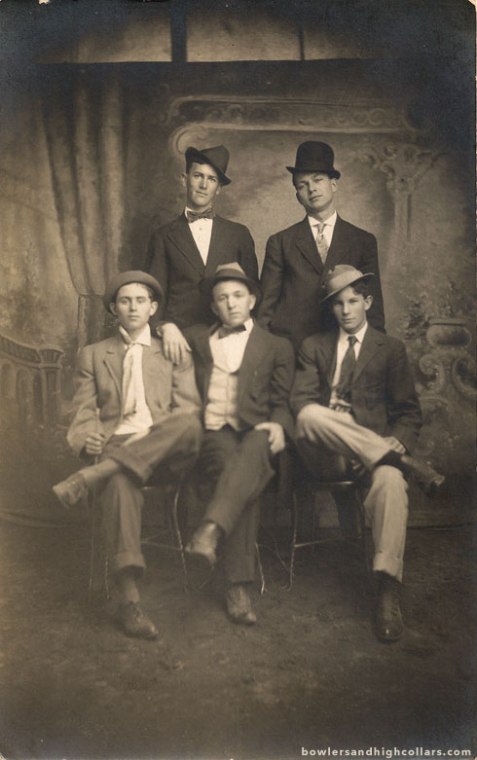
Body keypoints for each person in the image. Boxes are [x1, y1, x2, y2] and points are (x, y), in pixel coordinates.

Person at [291, 265, 444, 643]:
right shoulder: (314, 346)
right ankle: (404, 463)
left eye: (353, 301)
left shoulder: (389, 349)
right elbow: (300, 402)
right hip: (326, 452)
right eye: (338, 304)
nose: (346, 310)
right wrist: (357, 439)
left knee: (390, 481)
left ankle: (387, 589)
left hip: (373, 455)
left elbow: (408, 413)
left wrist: (398, 440)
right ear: (331, 309)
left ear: (368, 302)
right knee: (309, 414)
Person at [53, 271, 202, 640]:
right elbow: (82, 411)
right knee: (120, 479)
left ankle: (91, 476)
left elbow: (188, 408)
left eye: (140, 301)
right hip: (118, 444)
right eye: (124, 301)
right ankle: (130, 600)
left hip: (166, 448)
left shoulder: (172, 349)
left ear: (153, 308)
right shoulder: (93, 354)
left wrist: (152, 436)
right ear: (113, 309)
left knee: (190, 422)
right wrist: (87, 437)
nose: (133, 308)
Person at [185, 263, 295, 625]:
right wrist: (166, 326)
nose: (230, 303)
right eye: (222, 298)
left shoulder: (276, 345)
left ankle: (209, 532)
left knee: (252, 449)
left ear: (252, 300)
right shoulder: (197, 339)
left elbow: (283, 401)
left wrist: (279, 424)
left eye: (237, 295)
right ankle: (238, 586)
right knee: (238, 475)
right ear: (213, 306)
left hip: (258, 431)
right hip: (215, 432)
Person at [258, 141, 385, 350]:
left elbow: (374, 306)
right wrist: (268, 353)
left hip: (343, 346)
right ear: (297, 196)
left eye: (318, 180)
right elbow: (265, 308)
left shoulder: (363, 240)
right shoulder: (280, 242)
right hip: (292, 347)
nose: (312, 189)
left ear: (333, 184)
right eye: (302, 185)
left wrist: (375, 352)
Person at [145, 145, 259, 365]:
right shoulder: (162, 236)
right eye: (198, 176)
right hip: (178, 342)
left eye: (212, 179)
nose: (204, 185)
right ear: (184, 179)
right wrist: (164, 327)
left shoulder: (238, 234)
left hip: (230, 340)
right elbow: (154, 293)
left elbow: (253, 291)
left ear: (218, 189)